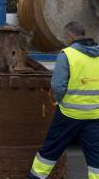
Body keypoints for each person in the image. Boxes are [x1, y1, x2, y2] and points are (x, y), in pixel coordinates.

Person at [28, 21, 99, 179]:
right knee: (96, 158)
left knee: (50, 150)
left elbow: (57, 86)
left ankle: (37, 176)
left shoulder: (67, 54)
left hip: (69, 115)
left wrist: (61, 101)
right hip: (94, 116)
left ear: (69, 36)